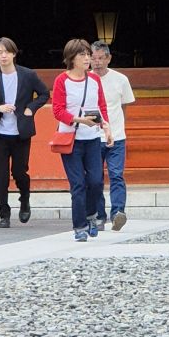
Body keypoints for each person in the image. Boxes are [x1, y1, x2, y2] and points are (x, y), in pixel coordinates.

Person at [0, 37, 50, 227]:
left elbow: (44, 94)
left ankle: (24, 200)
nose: (3, 56)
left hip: (20, 133)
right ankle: (4, 213)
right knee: (0, 176)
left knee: (20, 172)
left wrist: (31, 108)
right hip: (0, 134)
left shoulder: (27, 75)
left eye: (6, 52)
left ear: (13, 53)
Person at [50, 37, 112, 242]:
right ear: (72, 58)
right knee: (77, 184)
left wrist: (107, 127)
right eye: (83, 55)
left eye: (88, 55)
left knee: (95, 181)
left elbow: (102, 105)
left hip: (92, 137)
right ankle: (79, 226)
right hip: (71, 138)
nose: (88, 59)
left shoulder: (94, 80)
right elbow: (57, 111)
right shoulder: (62, 80)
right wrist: (78, 120)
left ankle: (92, 215)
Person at [91, 40, 135, 231]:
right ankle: (99, 215)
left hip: (116, 135)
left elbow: (124, 105)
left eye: (101, 58)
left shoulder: (121, 79)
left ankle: (118, 212)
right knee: (95, 178)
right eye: (93, 58)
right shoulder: (86, 80)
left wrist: (117, 127)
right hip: (92, 136)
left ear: (109, 58)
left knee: (116, 175)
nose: (97, 62)